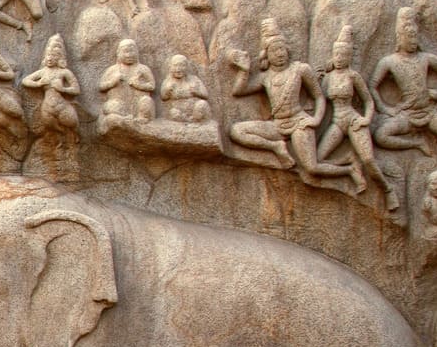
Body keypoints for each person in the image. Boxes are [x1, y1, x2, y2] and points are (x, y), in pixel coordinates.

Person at [229, 18, 361, 185]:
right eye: (275, 51)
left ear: (287, 50)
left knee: (312, 168)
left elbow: (318, 96)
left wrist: (315, 120)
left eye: (282, 49)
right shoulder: (266, 76)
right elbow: (238, 91)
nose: (280, 54)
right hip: (278, 126)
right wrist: (244, 70)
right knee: (236, 131)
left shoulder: (300, 69)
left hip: (299, 123)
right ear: (266, 55)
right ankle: (276, 147)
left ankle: (349, 169)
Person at [370, 7, 437, 165]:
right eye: (409, 37)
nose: (413, 41)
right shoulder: (389, 62)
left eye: (415, 37)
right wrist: (385, 108)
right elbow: (373, 86)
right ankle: (416, 143)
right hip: (407, 114)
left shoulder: (428, 59)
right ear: (399, 37)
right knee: (381, 136)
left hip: (430, 113)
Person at [317, 25, 398, 206]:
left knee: (368, 159)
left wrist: (366, 119)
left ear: (349, 57)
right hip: (337, 122)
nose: (339, 59)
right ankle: (349, 164)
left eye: (343, 56)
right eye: (337, 55)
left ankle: (388, 190)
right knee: (319, 158)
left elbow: (368, 101)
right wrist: (316, 81)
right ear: (333, 55)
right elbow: (319, 100)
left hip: (353, 120)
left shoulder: (353, 76)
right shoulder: (329, 78)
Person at [22, 34, 80, 142]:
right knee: (49, 124)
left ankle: (75, 136)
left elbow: (76, 89)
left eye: (53, 56)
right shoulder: (43, 72)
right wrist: (39, 83)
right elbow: (25, 81)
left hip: (62, 105)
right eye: (48, 55)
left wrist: (62, 89)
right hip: (47, 106)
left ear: (59, 57)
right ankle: (61, 135)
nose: (49, 58)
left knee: (73, 123)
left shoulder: (64, 72)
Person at [99, 38, 156, 123]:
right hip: (119, 103)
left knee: (146, 101)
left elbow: (152, 86)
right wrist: (112, 82)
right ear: (119, 53)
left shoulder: (143, 69)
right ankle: (123, 117)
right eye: (126, 52)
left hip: (137, 104)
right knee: (112, 106)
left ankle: (142, 118)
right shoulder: (113, 69)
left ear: (137, 52)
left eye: (132, 51)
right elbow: (101, 87)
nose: (129, 55)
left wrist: (139, 85)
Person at [161, 54, 211, 122]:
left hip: (194, 110)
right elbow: (163, 97)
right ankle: (186, 121)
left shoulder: (194, 79)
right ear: (171, 67)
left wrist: (197, 92)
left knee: (202, 104)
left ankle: (195, 119)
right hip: (178, 111)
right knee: (174, 113)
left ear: (186, 67)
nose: (178, 69)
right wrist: (167, 91)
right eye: (175, 65)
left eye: (181, 65)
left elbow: (206, 94)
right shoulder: (168, 81)